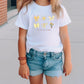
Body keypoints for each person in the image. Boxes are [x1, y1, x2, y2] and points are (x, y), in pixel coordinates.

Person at [15, 0, 72, 84]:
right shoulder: (27, 9)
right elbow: (21, 38)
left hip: (54, 59)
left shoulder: (59, 9)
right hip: (34, 58)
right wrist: (22, 63)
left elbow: (65, 36)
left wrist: (68, 60)